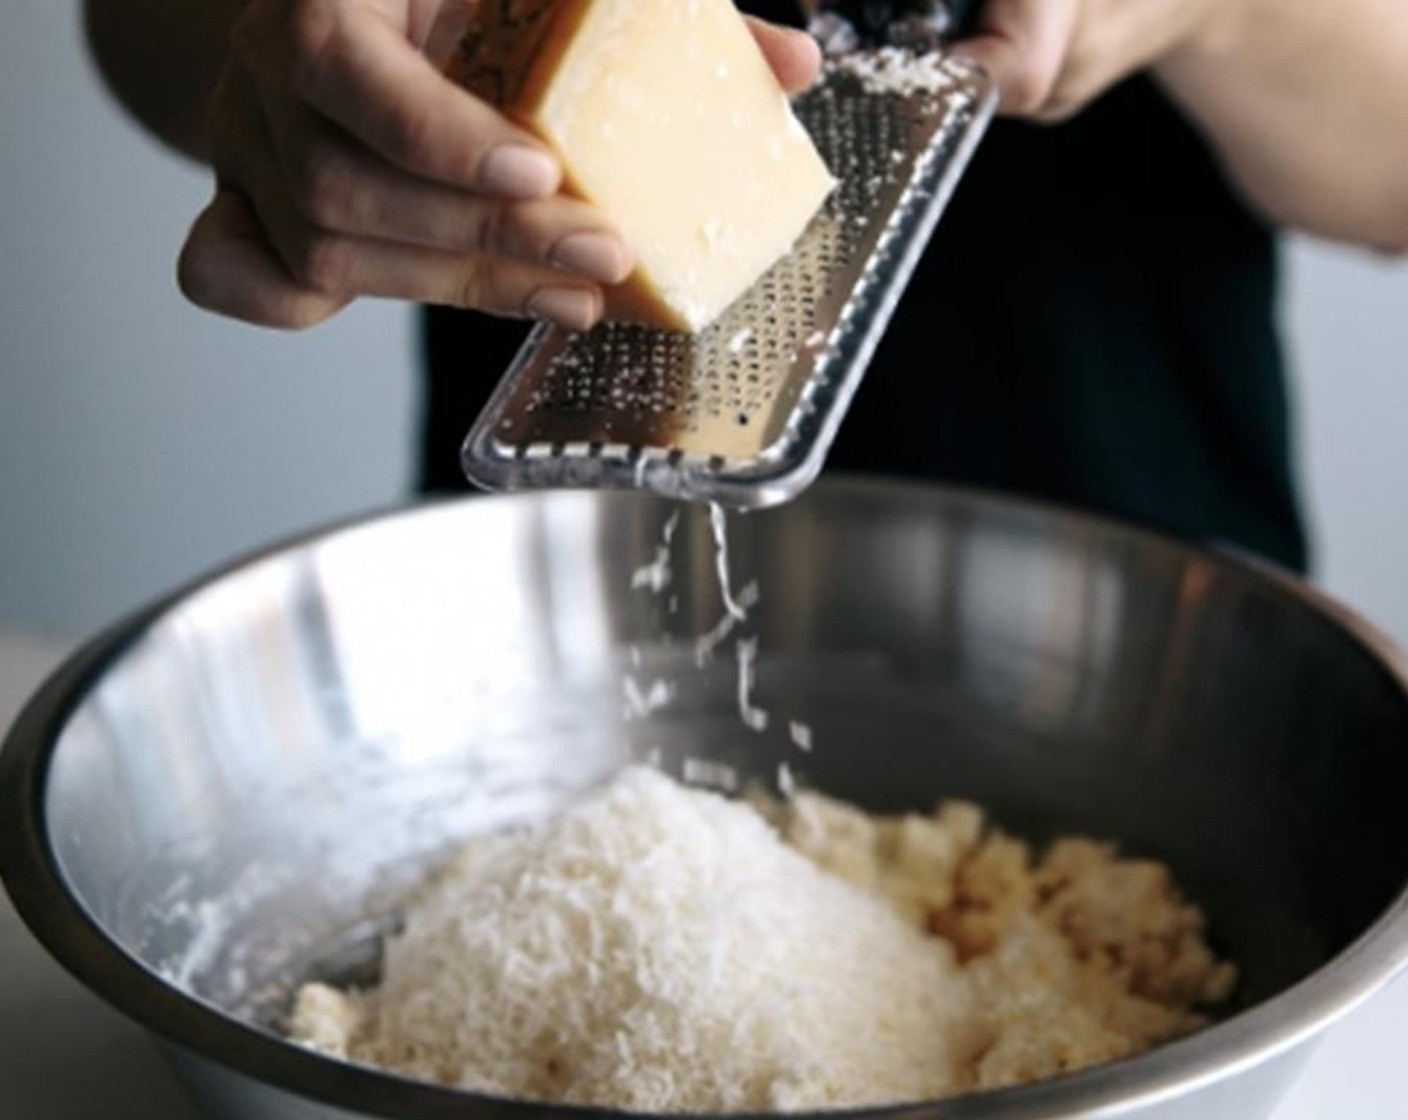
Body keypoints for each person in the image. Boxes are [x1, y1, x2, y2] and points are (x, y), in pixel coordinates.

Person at [85, 0, 1408, 573]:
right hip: (543, 611)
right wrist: (290, 56)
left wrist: (1231, 13)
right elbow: (140, 24)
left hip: (1160, 663)